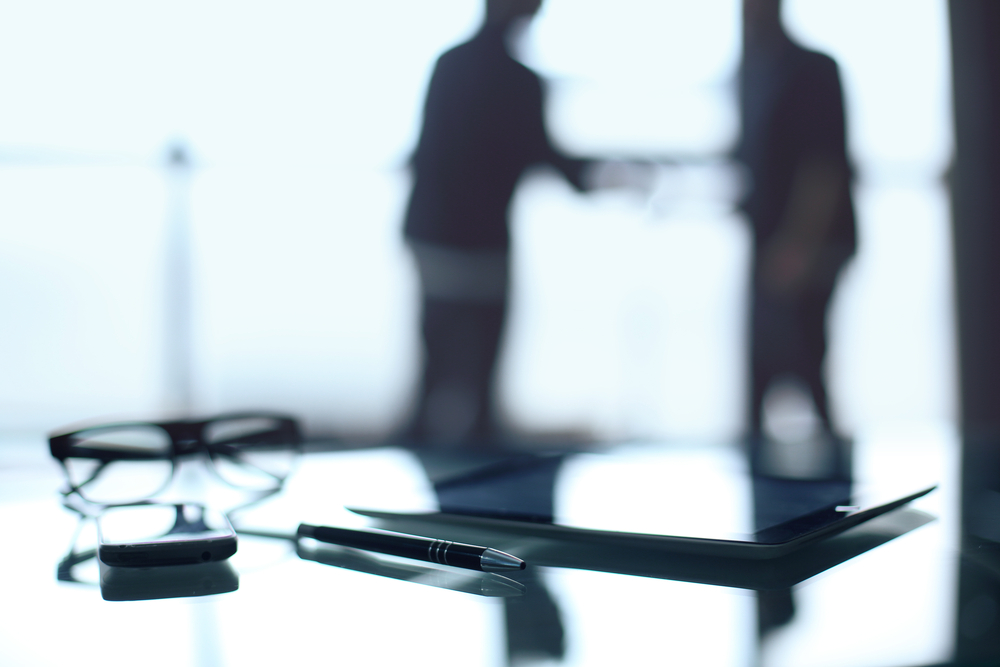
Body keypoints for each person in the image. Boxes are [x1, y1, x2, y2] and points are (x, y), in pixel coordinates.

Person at [401, 0, 595, 446]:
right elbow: (540, 152)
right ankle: (467, 491)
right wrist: (598, 178)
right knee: (478, 386)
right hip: (478, 246)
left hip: (434, 238)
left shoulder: (449, 64)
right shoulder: (519, 80)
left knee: (434, 374)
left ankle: (420, 488)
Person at [735, 0, 857, 440]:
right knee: (767, 378)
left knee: (806, 368)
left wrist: (796, 247)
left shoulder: (810, 71)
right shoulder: (753, 72)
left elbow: (822, 168)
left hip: (806, 250)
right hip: (771, 247)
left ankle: (837, 496)